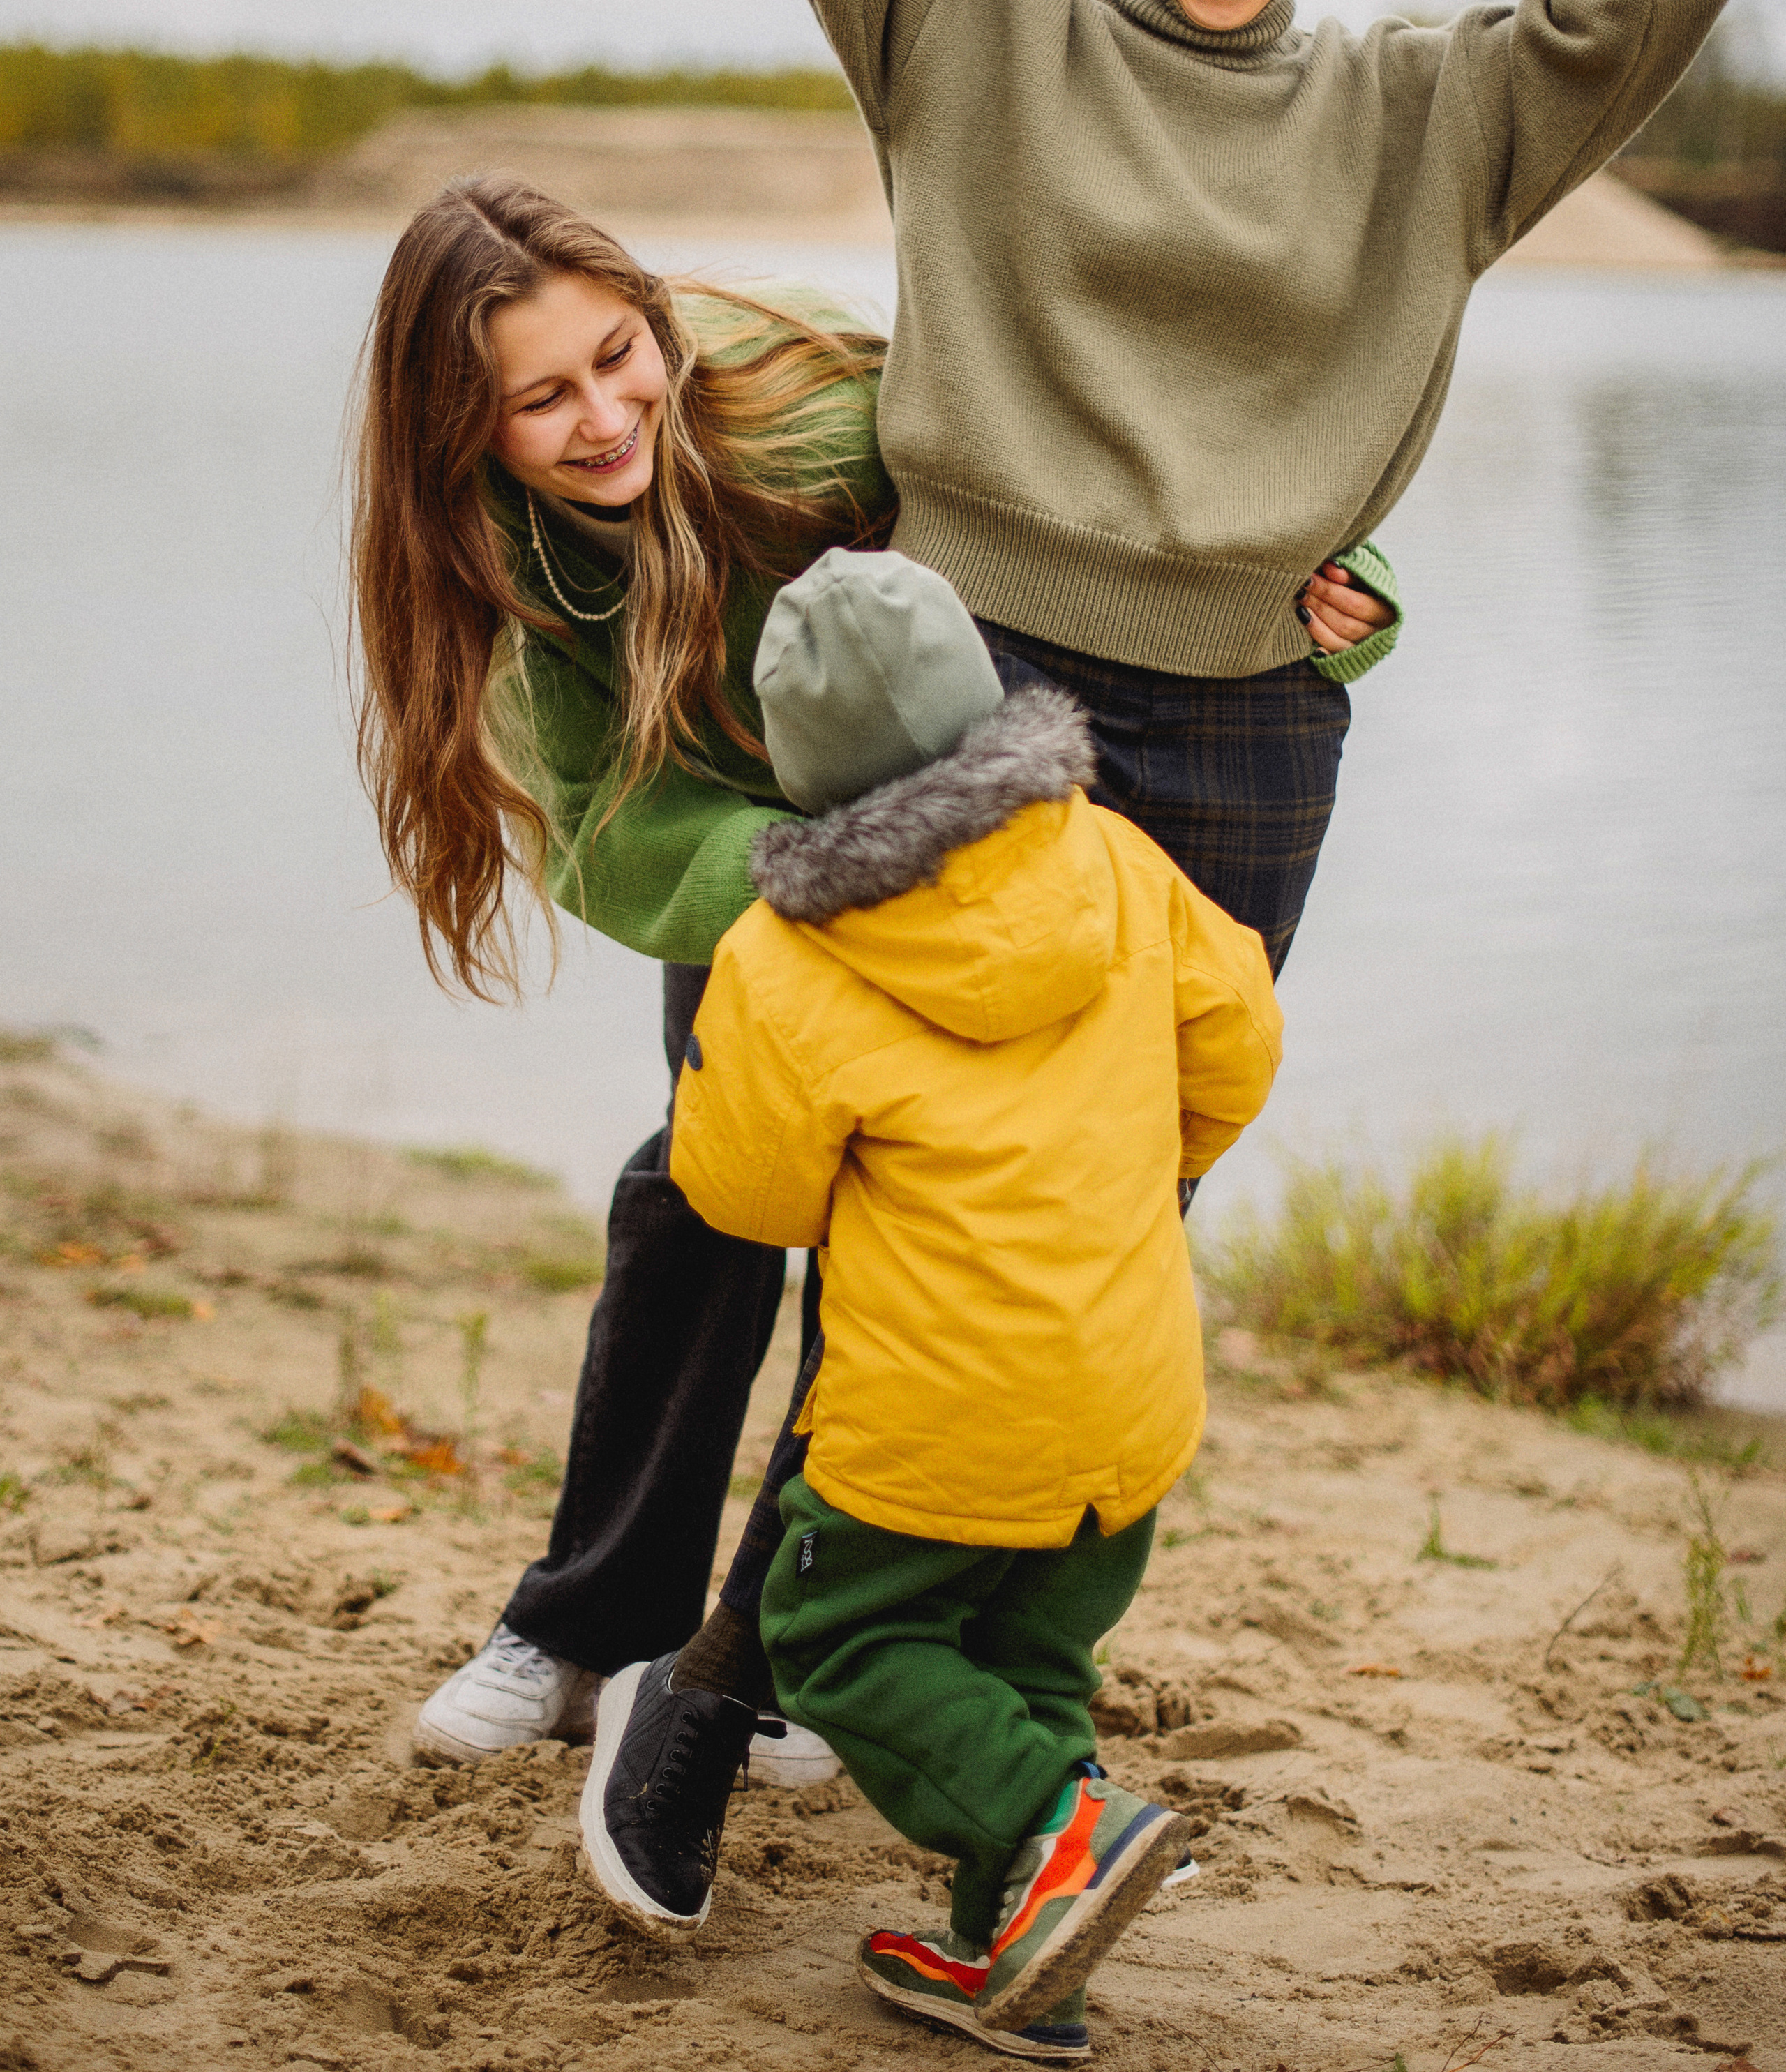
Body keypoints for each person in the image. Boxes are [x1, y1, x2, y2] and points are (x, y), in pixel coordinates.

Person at [576, 0, 1735, 1907]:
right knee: (908, 1210)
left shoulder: (1433, 112)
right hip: (963, 685)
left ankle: (912, 1682)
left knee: (1090, 1224)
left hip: (1243, 721)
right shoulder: (971, 18)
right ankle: (725, 1678)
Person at [350, 175, 1396, 1775]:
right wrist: (804, 886)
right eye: (538, 399)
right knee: (698, 1190)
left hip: (975, 822)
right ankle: (583, 1625)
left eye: (618, 357)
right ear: (457, 429)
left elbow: (1104, 442)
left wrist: (1341, 579)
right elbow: (604, 827)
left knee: (927, 1225)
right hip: (756, 866)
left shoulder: (814, 396)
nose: (604, 416)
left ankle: (806, 1647)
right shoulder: (486, 556)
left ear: (654, 322)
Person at [585, 546, 1280, 2060]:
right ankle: (1017, 1961)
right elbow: (1239, 1042)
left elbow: (748, 1197)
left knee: (837, 1640)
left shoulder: (785, 951)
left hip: (935, 1416)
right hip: (1129, 1393)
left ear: (795, 761)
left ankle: (1060, 1829)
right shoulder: (1116, 860)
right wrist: (1137, 1154)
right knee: (1030, 1662)